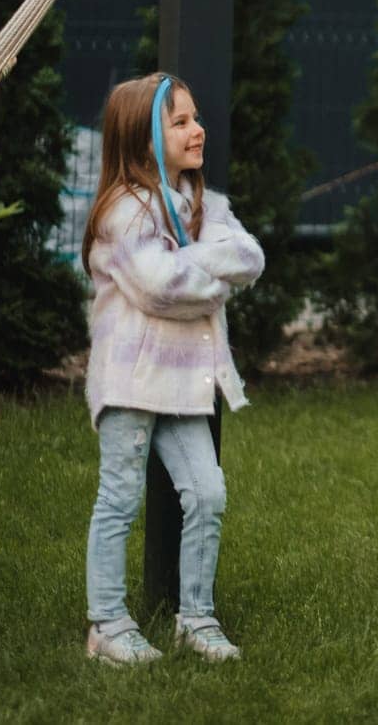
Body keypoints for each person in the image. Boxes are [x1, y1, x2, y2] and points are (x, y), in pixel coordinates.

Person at [79, 73, 264, 665]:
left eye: (195, 116)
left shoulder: (205, 205)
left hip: (185, 383)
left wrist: (190, 260)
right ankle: (106, 624)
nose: (197, 129)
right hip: (131, 380)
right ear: (142, 138)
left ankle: (196, 617)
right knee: (120, 497)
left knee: (207, 493)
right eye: (179, 122)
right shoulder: (123, 213)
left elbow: (250, 257)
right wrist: (210, 276)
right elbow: (159, 286)